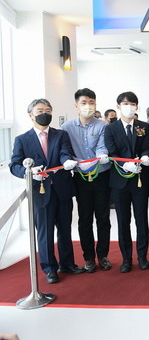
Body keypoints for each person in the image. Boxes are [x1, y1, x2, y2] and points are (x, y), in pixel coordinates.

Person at [9, 98, 85, 284]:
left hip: (62, 189)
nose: (45, 114)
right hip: (41, 192)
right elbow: (14, 164)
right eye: (40, 111)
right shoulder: (22, 139)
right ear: (31, 115)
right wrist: (28, 172)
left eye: (48, 111)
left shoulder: (61, 135)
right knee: (45, 232)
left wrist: (67, 161)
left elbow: (65, 153)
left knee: (65, 230)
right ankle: (50, 268)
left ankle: (67, 263)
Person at [61, 88, 113, 272]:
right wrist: (78, 164)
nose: (88, 106)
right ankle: (89, 257)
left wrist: (98, 160)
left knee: (103, 217)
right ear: (76, 106)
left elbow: (102, 147)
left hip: (101, 175)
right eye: (83, 103)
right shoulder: (66, 128)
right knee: (84, 219)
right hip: (80, 177)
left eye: (91, 102)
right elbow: (66, 152)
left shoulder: (103, 126)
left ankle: (103, 255)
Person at [104, 91, 149, 273]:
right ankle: (126, 258)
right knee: (123, 221)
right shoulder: (110, 128)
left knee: (142, 219)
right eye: (125, 104)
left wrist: (146, 156)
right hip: (120, 181)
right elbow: (112, 151)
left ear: (137, 106)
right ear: (118, 107)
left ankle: (142, 257)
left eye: (132, 104)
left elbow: (148, 146)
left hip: (140, 179)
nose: (129, 107)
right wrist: (125, 164)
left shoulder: (143, 126)